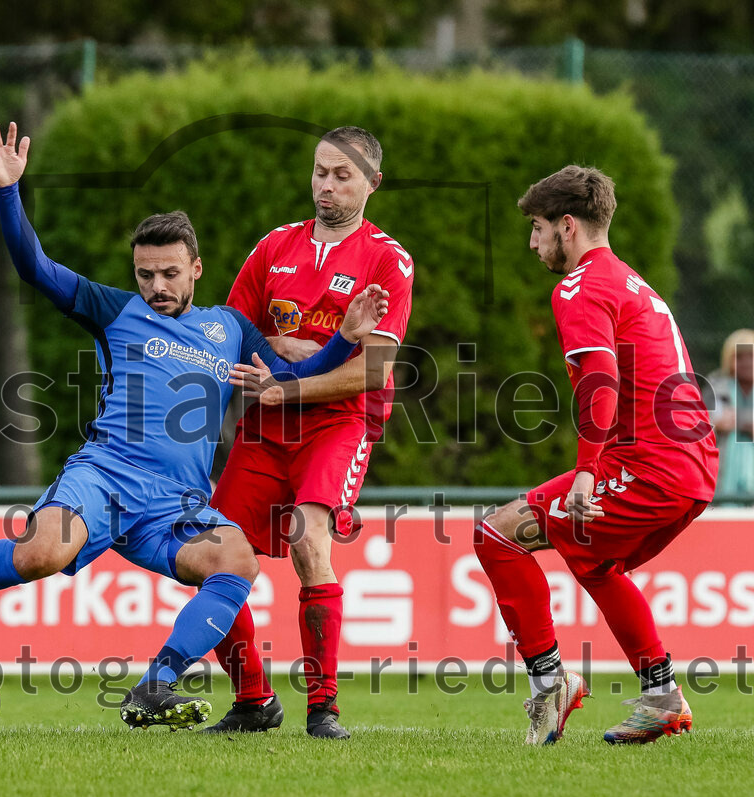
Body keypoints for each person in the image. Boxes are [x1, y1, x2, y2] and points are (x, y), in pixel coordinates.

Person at [0, 122, 390, 731]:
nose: (156, 287)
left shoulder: (231, 330)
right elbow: (35, 266)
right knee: (40, 555)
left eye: (169, 274)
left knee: (236, 560)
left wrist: (343, 341)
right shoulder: (114, 308)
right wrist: (8, 191)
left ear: (196, 268)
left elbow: (287, 379)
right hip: (106, 477)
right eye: (145, 275)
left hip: (175, 504)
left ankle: (156, 685)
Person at [474, 165, 718, 745]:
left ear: (567, 225)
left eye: (536, 229)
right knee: (591, 560)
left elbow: (600, 380)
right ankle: (661, 696)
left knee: (497, 535)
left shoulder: (581, 286)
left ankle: (550, 683)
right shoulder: (631, 282)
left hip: (649, 465)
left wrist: (586, 471)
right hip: (689, 466)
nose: (532, 243)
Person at [203, 126, 414, 738]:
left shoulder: (386, 259)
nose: (326, 185)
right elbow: (231, 334)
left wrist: (289, 378)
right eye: (320, 172)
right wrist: (279, 347)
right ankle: (253, 702)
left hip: (338, 424)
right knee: (216, 553)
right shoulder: (273, 247)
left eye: (342, 176)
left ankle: (323, 707)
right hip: (266, 425)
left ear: (372, 184)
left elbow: (371, 370)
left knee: (306, 536)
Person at [705, 329, 754, 503]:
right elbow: (702, 427)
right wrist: (717, 425)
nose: (746, 363)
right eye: (738, 357)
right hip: (722, 475)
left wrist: (737, 419)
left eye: (751, 356)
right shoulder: (716, 385)